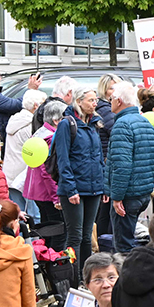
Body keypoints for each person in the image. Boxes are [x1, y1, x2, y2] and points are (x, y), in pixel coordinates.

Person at [52, 87, 108, 283]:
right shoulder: (67, 124)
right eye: (91, 100)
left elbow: (99, 158)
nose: (95, 103)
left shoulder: (93, 124)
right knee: (74, 236)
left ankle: (86, 278)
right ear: (79, 101)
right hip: (74, 189)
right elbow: (63, 160)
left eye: (96, 100)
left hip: (93, 188)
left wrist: (104, 186)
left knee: (87, 235)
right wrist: (70, 189)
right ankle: (72, 279)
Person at [105, 81, 154, 252]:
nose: (110, 102)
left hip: (127, 195)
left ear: (119, 101)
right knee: (131, 242)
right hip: (142, 193)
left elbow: (121, 165)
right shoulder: (145, 122)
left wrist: (117, 197)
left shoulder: (122, 125)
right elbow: (152, 159)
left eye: (112, 98)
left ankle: (128, 270)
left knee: (123, 247)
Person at [2, 88, 46, 206]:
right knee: (31, 213)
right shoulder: (30, 125)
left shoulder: (15, 120)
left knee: (17, 211)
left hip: (10, 174)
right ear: (36, 106)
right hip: (24, 178)